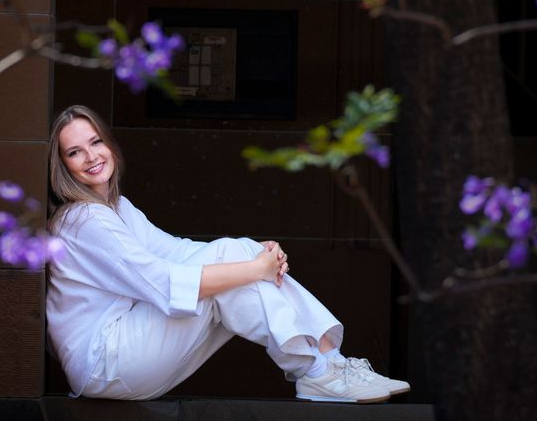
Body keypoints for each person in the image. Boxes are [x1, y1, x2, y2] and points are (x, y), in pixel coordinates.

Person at [45, 104, 410, 403]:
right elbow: (165, 284)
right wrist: (255, 268)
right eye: (75, 152)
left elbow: (176, 251)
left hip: (124, 357)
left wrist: (256, 254)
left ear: (109, 144)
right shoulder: (83, 220)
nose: (91, 156)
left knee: (234, 253)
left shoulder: (118, 208)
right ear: (62, 166)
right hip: (105, 364)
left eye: (96, 142)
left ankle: (327, 363)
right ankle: (320, 368)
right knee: (231, 261)